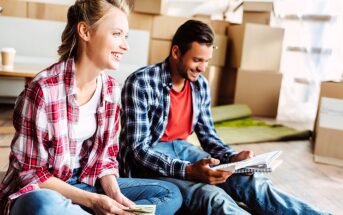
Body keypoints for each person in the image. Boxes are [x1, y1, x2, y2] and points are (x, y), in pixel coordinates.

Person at [119, 19, 331, 215]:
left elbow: (208, 136)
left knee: (253, 182)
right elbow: (138, 151)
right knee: (213, 197)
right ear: (176, 52)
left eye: (207, 61)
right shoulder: (141, 82)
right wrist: (189, 171)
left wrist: (232, 158)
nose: (202, 68)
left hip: (183, 149)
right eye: (196, 60)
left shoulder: (199, 84)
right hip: (150, 160)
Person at [0, 1, 182, 215]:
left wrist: (113, 194)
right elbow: (31, 174)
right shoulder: (43, 90)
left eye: (126, 36)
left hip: (86, 182)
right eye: (117, 34)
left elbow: (105, 158)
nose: (125, 45)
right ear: (85, 31)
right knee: (42, 206)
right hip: (45, 189)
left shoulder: (112, 90)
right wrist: (93, 200)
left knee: (170, 193)